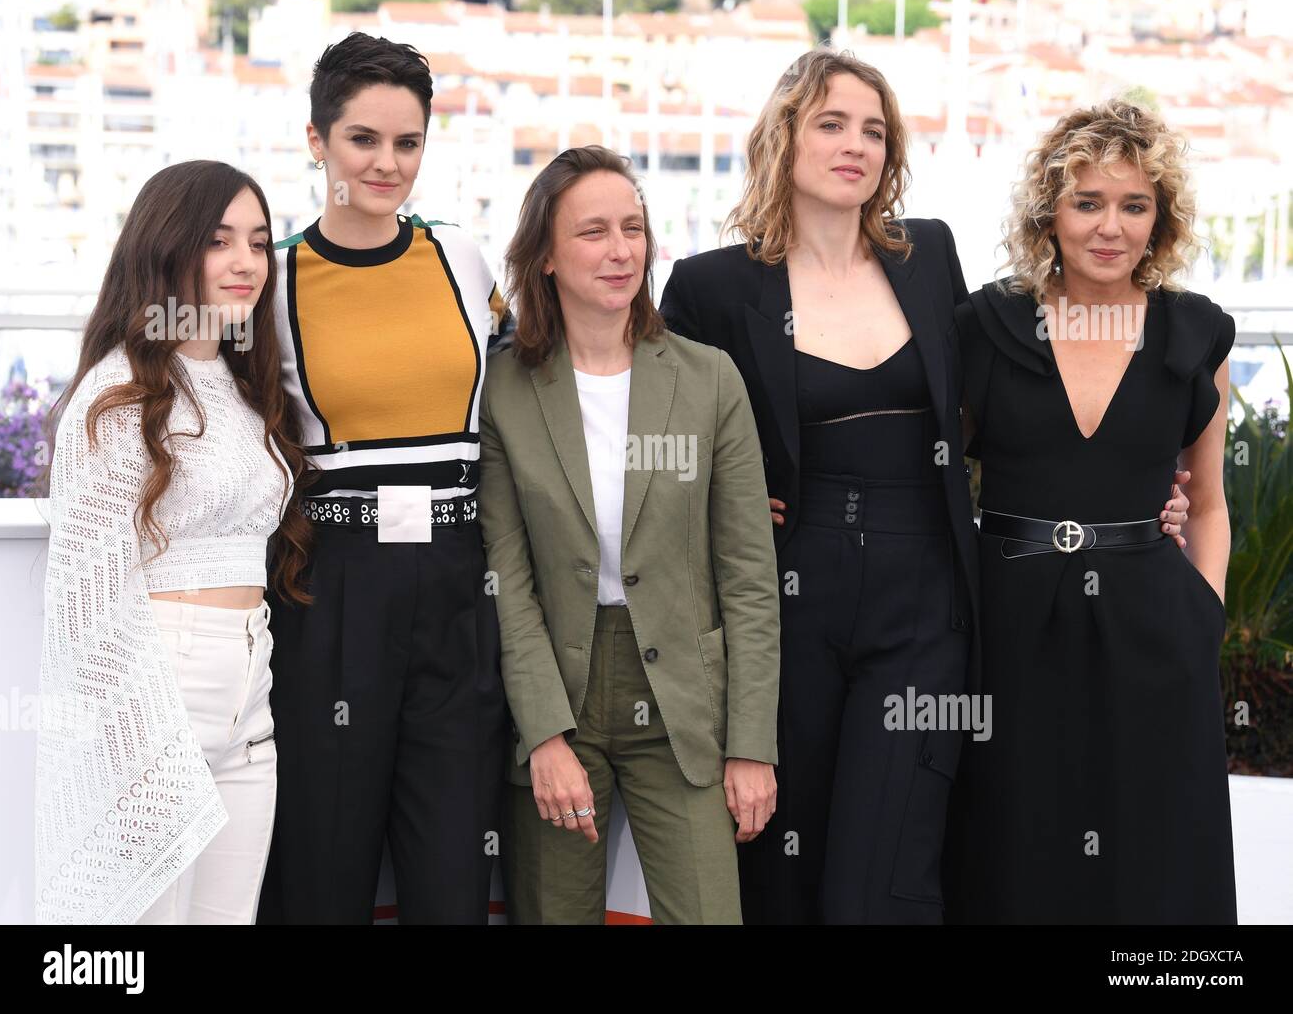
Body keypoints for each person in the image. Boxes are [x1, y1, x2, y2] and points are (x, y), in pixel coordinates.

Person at [658, 47, 1191, 924]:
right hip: (787, 601)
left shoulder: (928, 256)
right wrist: (720, 496)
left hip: (927, 601)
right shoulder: (712, 287)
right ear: (785, 136)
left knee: (892, 864)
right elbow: (657, 435)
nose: (855, 145)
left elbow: (1016, 396)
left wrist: (1129, 491)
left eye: (873, 129)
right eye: (831, 123)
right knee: (783, 861)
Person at [943, 99, 1237, 923]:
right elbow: (923, 472)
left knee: (1154, 849)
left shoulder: (1194, 337)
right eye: (1088, 202)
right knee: (1014, 841)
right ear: (1050, 214)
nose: (1111, 227)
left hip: (1153, 627)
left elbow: (1209, 501)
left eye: (1134, 205)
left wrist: (1203, 614)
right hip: (1009, 624)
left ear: (1160, 221)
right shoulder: (986, 326)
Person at [478, 145, 780, 924]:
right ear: (544, 255)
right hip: (561, 695)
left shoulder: (710, 380)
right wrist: (544, 736)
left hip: (684, 697)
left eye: (634, 229)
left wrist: (752, 745)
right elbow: (507, 582)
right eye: (593, 233)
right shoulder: (504, 389)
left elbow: (749, 580)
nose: (621, 252)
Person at [256, 32, 508, 924]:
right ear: (317, 141)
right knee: (324, 872)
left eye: (407, 142)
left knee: (452, 880)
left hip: (458, 588)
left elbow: (547, 388)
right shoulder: (272, 280)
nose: (386, 163)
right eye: (363, 139)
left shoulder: (464, 259)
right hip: (335, 593)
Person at [35, 161, 310, 924]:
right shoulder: (117, 390)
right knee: (137, 928)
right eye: (219, 240)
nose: (246, 262)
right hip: (159, 689)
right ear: (167, 247)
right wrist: (126, 728)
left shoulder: (244, 384)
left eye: (258, 242)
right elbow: (87, 592)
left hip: (250, 694)